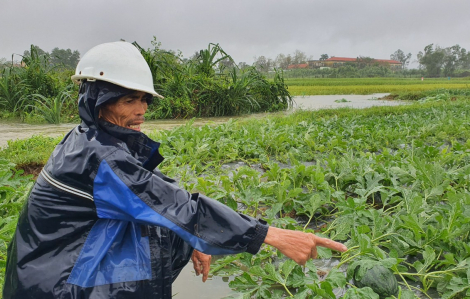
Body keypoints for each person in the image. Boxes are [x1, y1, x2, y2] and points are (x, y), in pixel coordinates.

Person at [3, 42, 347, 299]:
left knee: (175, 232)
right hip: (54, 286)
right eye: (129, 101)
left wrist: (196, 239)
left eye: (144, 100)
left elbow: (159, 194)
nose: (141, 111)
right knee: (178, 225)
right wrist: (272, 236)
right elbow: (177, 205)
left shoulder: (89, 139)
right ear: (98, 102)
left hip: (45, 271)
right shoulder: (100, 158)